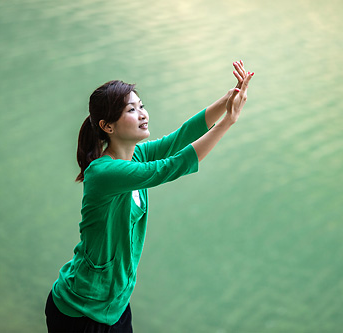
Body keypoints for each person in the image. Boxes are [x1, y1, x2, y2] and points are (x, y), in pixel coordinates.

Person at [45, 61, 254, 332]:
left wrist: (228, 99)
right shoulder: (104, 172)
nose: (143, 114)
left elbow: (179, 139)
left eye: (141, 106)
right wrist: (227, 122)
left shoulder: (136, 155)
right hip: (82, 311)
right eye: (131, 110)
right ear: (107, 126)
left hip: (116, 304)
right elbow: (171, 166)